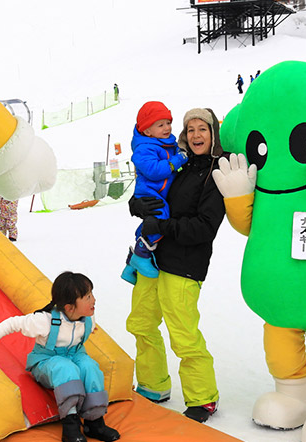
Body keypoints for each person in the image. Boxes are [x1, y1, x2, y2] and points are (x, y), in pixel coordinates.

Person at [126, 107, 226, 423]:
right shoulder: (179, 165)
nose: (196, 135)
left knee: (183, 333)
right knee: (141, 323)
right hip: (153, 259)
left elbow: (204, 227)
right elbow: (153, 191)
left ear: (213, 134)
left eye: (203, 129)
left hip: (184, 263)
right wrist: (136, 204)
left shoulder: (216, 172)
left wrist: (163, 227)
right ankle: (153, 386)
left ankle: (202, 398)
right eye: (191, 129)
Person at [0, 272, 120, 442]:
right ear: (69, 307)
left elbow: (83, 328)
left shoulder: (88, 317)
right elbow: (12, 323)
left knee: (91, 368)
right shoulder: (45, 321)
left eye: (92, 294)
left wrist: (87, 328)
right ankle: (70, 425)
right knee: (66, 369)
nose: (94, 300)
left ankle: (94, 422)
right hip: (46, 361)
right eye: (88, 297)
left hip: (75, 354)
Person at [123, 102, 185, 284]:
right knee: (160, 219)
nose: (167, 128)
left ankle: (131, 266)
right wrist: (177, 161)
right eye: (161, 125)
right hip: (149, 194)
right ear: (148, 131)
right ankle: (141, 255)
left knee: (156, 220)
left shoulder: (165, 143)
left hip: (158, 193)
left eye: (168, 122)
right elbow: (154, 171)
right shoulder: (144, 148)